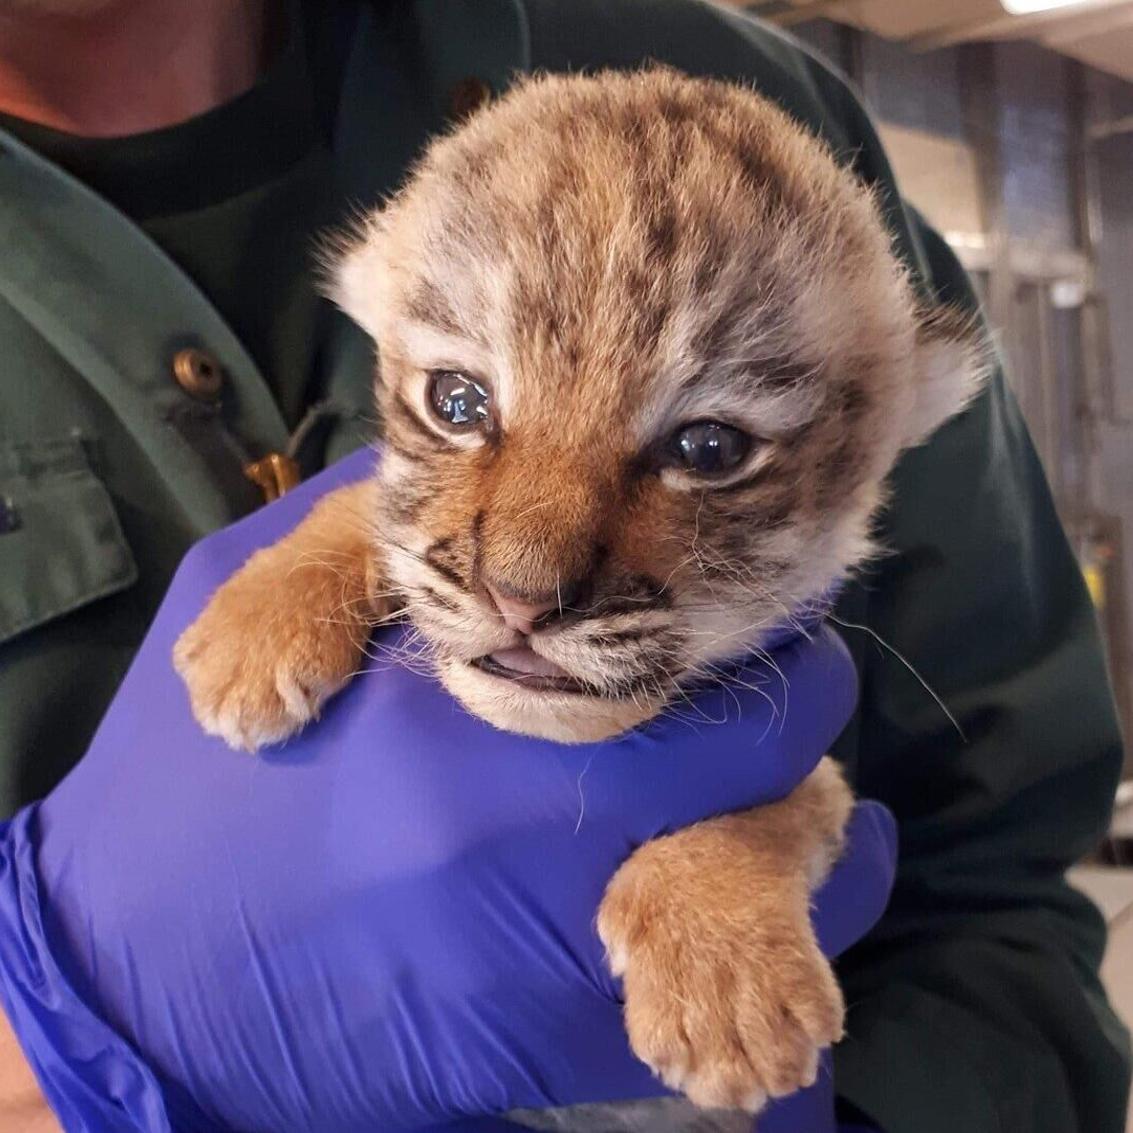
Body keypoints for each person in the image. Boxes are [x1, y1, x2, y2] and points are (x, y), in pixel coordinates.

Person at [0, 1, 1127, 1131]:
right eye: (458, 401)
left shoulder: (798, 153)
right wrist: (69, 1038)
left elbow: (1000, 888)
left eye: (707, 446)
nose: (528, 573)